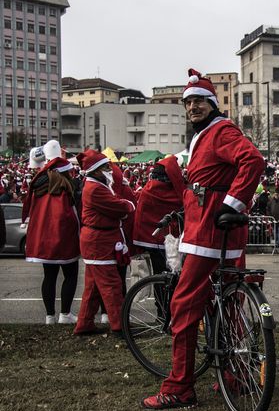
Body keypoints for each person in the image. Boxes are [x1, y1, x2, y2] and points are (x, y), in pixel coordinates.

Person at [142, 69, 264, 410]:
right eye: (188, 102)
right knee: (227, 304)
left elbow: (252, 160)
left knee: (183, 305)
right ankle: (234, 373)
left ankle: (180, 387)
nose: (193, 106)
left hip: (210, 234)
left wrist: (231, 204)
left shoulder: (219, 130)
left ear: (212, 104)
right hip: (213, 229)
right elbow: (207, 182)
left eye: (199, 101)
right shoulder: (205, 135)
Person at [73, 149, 136, 336]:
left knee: (92, 287)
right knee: (111, 285)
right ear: (97, 170)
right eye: (106, 166)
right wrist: (129, 206)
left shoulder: (96, 185)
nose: (110, 169)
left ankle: (84, 324)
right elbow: (118, 206)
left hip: (98, 241)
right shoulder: (95, 189)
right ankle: (119, 325)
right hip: (99, 242)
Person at [22, 141, 80, 324]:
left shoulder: (38, 183)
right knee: (70, 274)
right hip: (64, 234)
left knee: (49, 276)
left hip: (44, 236)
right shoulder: (67, 184)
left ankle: (49, 316)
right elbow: (74, 211)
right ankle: (65, 314)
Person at [132, 156, 185, 275]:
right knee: (172, 273)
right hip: (170, 240)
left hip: (149, 237)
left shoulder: (148, 189)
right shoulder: (175, 191)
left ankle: (160, 293)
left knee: (158, 274)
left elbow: (141, 215)